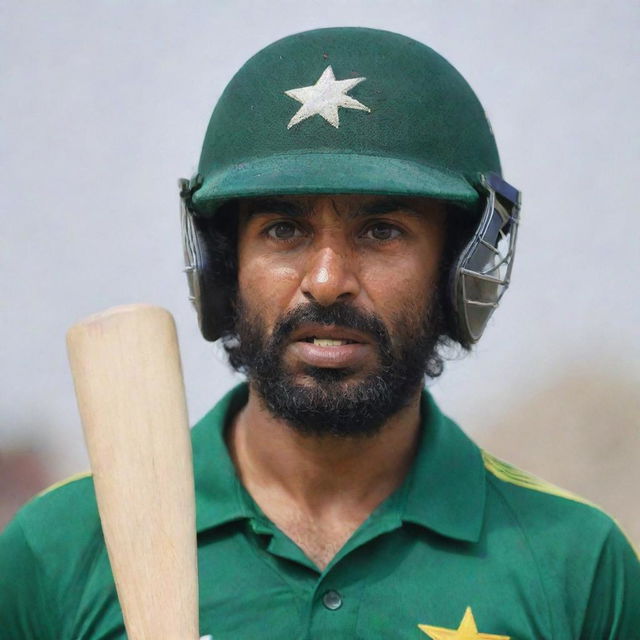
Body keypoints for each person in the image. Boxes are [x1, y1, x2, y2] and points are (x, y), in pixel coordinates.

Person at [1, 27, 639, 640]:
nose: (328, 280)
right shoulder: (59, 548)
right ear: (226, 266)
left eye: (381, 230)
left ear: (456, 267)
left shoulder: (575, 563)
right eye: (283, 229)